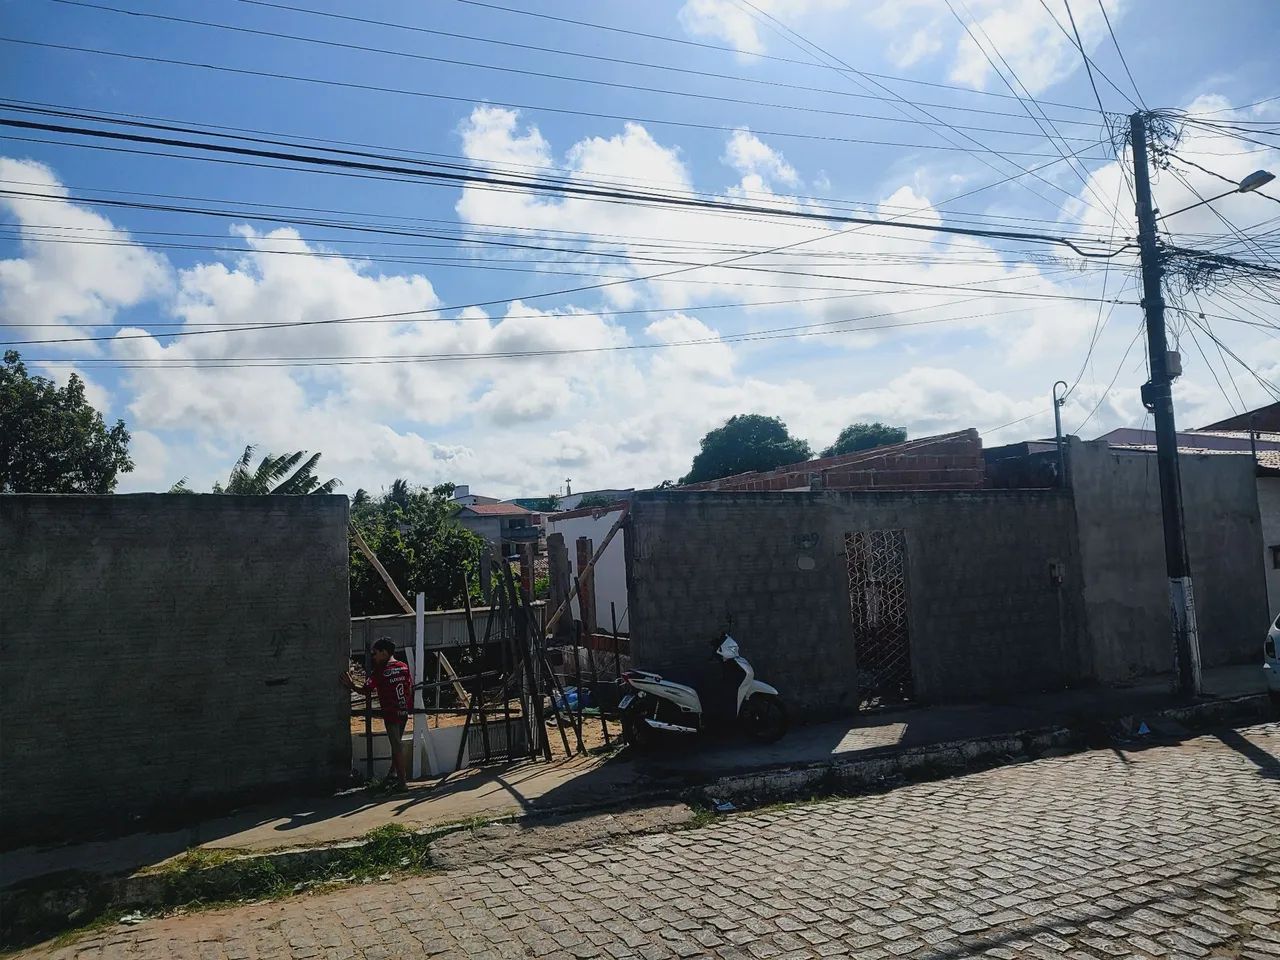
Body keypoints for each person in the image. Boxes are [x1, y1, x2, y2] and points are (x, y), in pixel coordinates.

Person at [342, 637, 412, 792]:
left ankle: (402, 783)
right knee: (397, 745)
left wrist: (351, 685)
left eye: (375, 653)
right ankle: (392, 775)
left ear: (384, 653)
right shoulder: (404, 667)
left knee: (397, 747)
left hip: (391, 714)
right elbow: (409, 690)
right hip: (403, 711)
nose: (373, 656)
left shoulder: (381, 671)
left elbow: (366, 690)